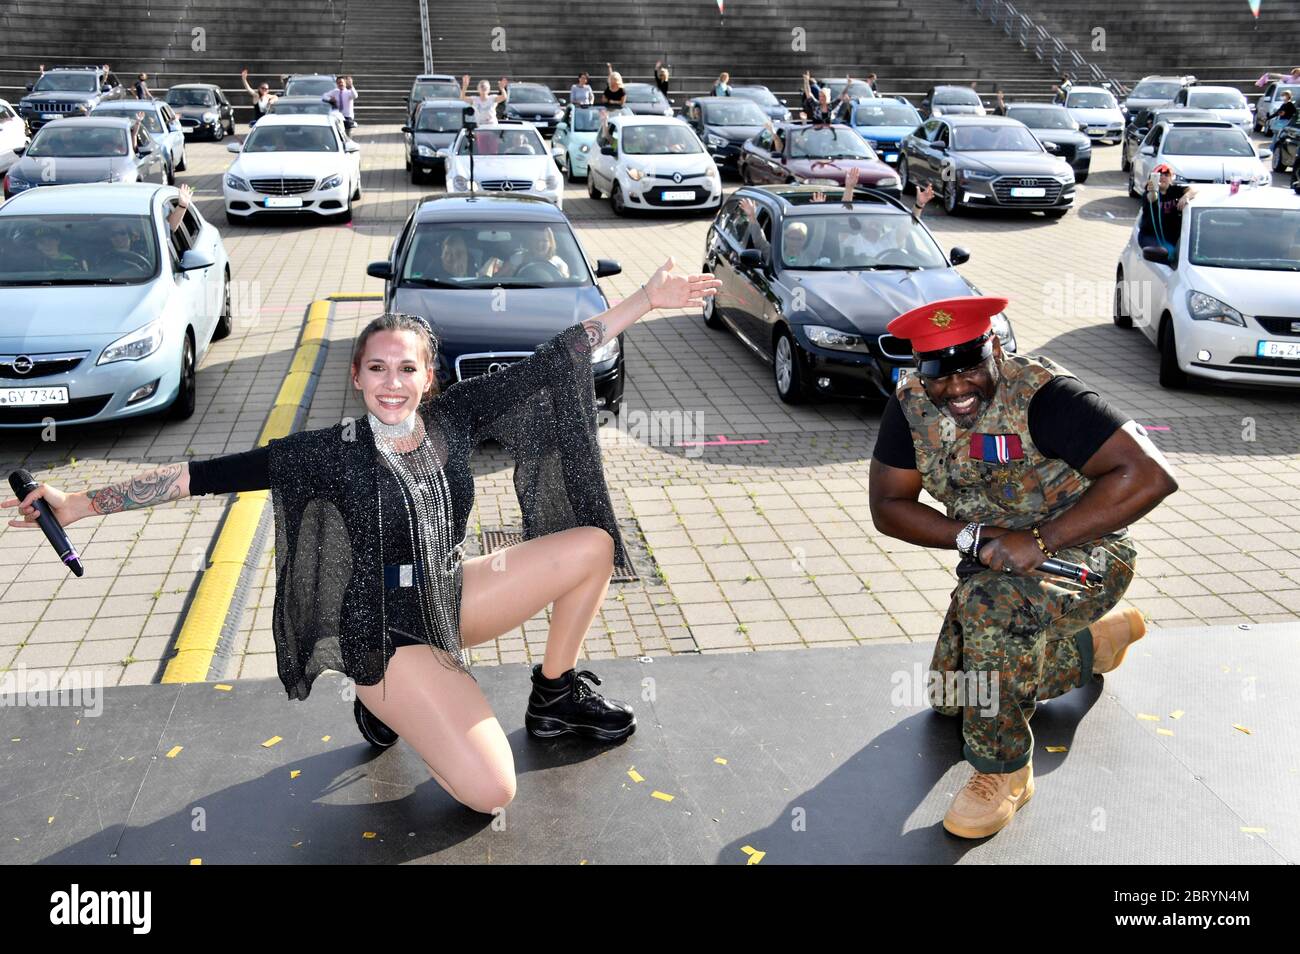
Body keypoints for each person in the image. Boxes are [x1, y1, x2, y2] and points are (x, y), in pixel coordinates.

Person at [5, 260, 723, 816]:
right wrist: (78, 505)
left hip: (450, 594)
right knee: (493, 793)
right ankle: (386, 699)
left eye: (407, 367)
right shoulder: (328, 451)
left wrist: (645, 303)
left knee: (594, 544)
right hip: (382, 634)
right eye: (377, 367)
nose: (392, 381)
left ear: (427, 377)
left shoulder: (454, 418)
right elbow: (201, 475)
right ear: (357, 376)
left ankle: (555, 694)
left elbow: (556, 357)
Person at [868, 296, 1178, 839]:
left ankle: (1004, 771)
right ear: (921, 370)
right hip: (996, 562)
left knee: (988, 608)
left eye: (969, 367)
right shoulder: (911, 404)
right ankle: (1090, 643)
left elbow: (1151, 474)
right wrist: (970, 535)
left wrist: (1041, 539)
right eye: (940, 375)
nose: (956, 388)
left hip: (1086, 554)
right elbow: (888, 506)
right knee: (953, 699)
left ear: (993, 347)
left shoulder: (1045, 395)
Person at [1139, 163, 1196, 258]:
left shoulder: (1175, 190)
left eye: (1166, 175)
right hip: (1151, 236)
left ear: (1171, 178)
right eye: (1159, 175)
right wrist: (1153, 190)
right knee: (1167, 254)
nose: (1163, 178)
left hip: (1170, 238)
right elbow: (1152, 198)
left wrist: (1186, 196)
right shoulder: (1148, 192)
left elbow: (1193, 190)